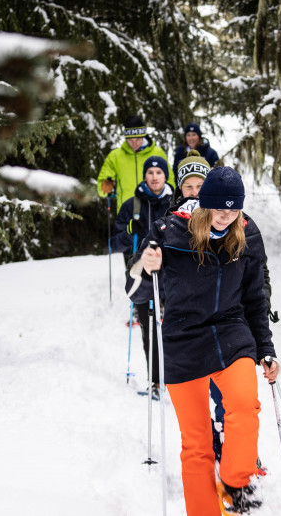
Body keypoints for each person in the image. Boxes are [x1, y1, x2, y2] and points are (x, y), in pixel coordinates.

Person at [139, 166, 280, 516]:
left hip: (230, 332)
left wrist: (265, 347)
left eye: (233, 209)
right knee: (197, 443)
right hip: (183, 337)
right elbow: (137, 291)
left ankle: (235, 480)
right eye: (219, 208)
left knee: (244, 406)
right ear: (204, 204)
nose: (225, 216)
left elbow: (255, 298)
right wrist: (144, 265)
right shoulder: (168, 231)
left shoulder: (247, 233)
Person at [112, 156, 174, 391]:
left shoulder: (176, 203)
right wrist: (130, 231)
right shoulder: (131, 205)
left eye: (159, 172)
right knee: (150, 331)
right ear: (145, 176)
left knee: (176, 331)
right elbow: (114, 243)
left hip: (172, 276)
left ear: (165, 176)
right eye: (150, 172)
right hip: (143, 276)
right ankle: (156, 382)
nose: (155, 177)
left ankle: (180, 382)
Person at [98, 115, 171, 213]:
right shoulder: (115, 156)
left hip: (154, 213)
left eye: (137, 139)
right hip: (126, 214)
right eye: (130, 140)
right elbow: (101, 188)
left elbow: (170, 182)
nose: (134, 144)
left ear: (143, 136)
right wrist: (106, 186)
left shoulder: (157, 153)